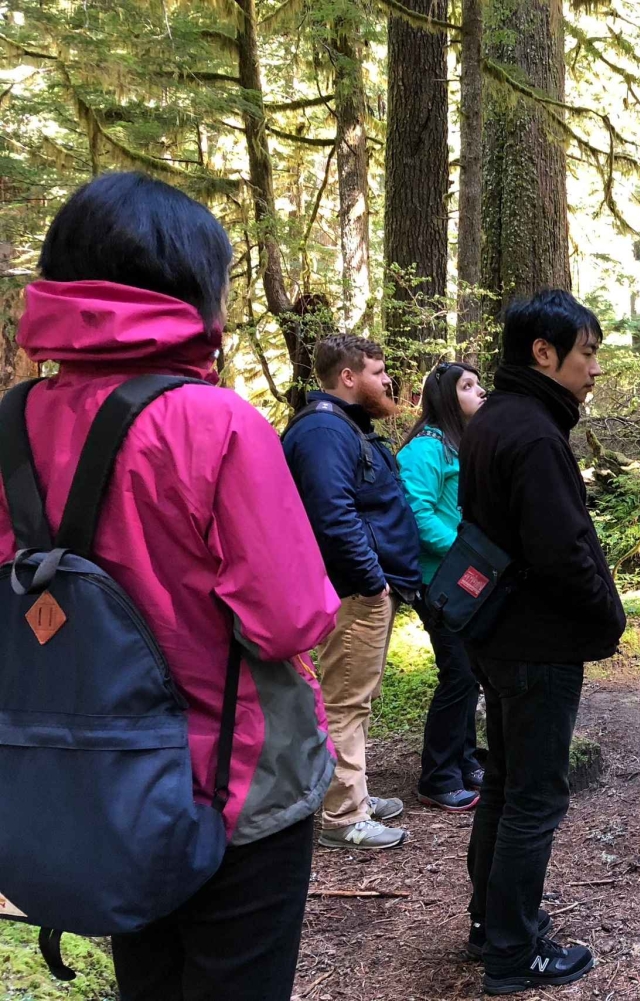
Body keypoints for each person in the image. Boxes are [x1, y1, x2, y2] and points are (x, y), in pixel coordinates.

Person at [0, 172, 341, 1000]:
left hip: (88, 778)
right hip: (232, 787)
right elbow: (293, 619)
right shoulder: (215, 422)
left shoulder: (11, 422)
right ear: (192, 291)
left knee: (147, 977)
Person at [459, 290, 626, 996]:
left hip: (500, 634)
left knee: (503, 782)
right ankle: (513, 952)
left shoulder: (497, 419)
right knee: (534, 795)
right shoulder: (532, 433)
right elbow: (562, 552)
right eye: (587, 354)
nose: (593, 370)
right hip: (536, 645)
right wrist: (607, 615)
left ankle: (489, 922)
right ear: (543, 353)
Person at [282, 334, 424, 849]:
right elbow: (331, 516)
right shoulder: (323, 430)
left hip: (360, 591)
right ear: (348, 377)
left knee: (355, 698)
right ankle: (343, 814)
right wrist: (372, 583)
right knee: (344, 700)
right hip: (351, 592)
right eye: (379, 371)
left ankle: (352, 792)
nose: (388, 380)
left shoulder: (341, 428)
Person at [397, 362, 487, 812]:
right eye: (468, 387)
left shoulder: (458, 444)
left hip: (463, 579)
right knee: (459, 674)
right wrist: (464, 552)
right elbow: (417, 513)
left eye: (478, 383)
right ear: (446, 398)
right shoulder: (426, 447)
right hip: (438, 580)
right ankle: (436, 777)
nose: (480, 391)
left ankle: (466, 761)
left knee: (470, 671)